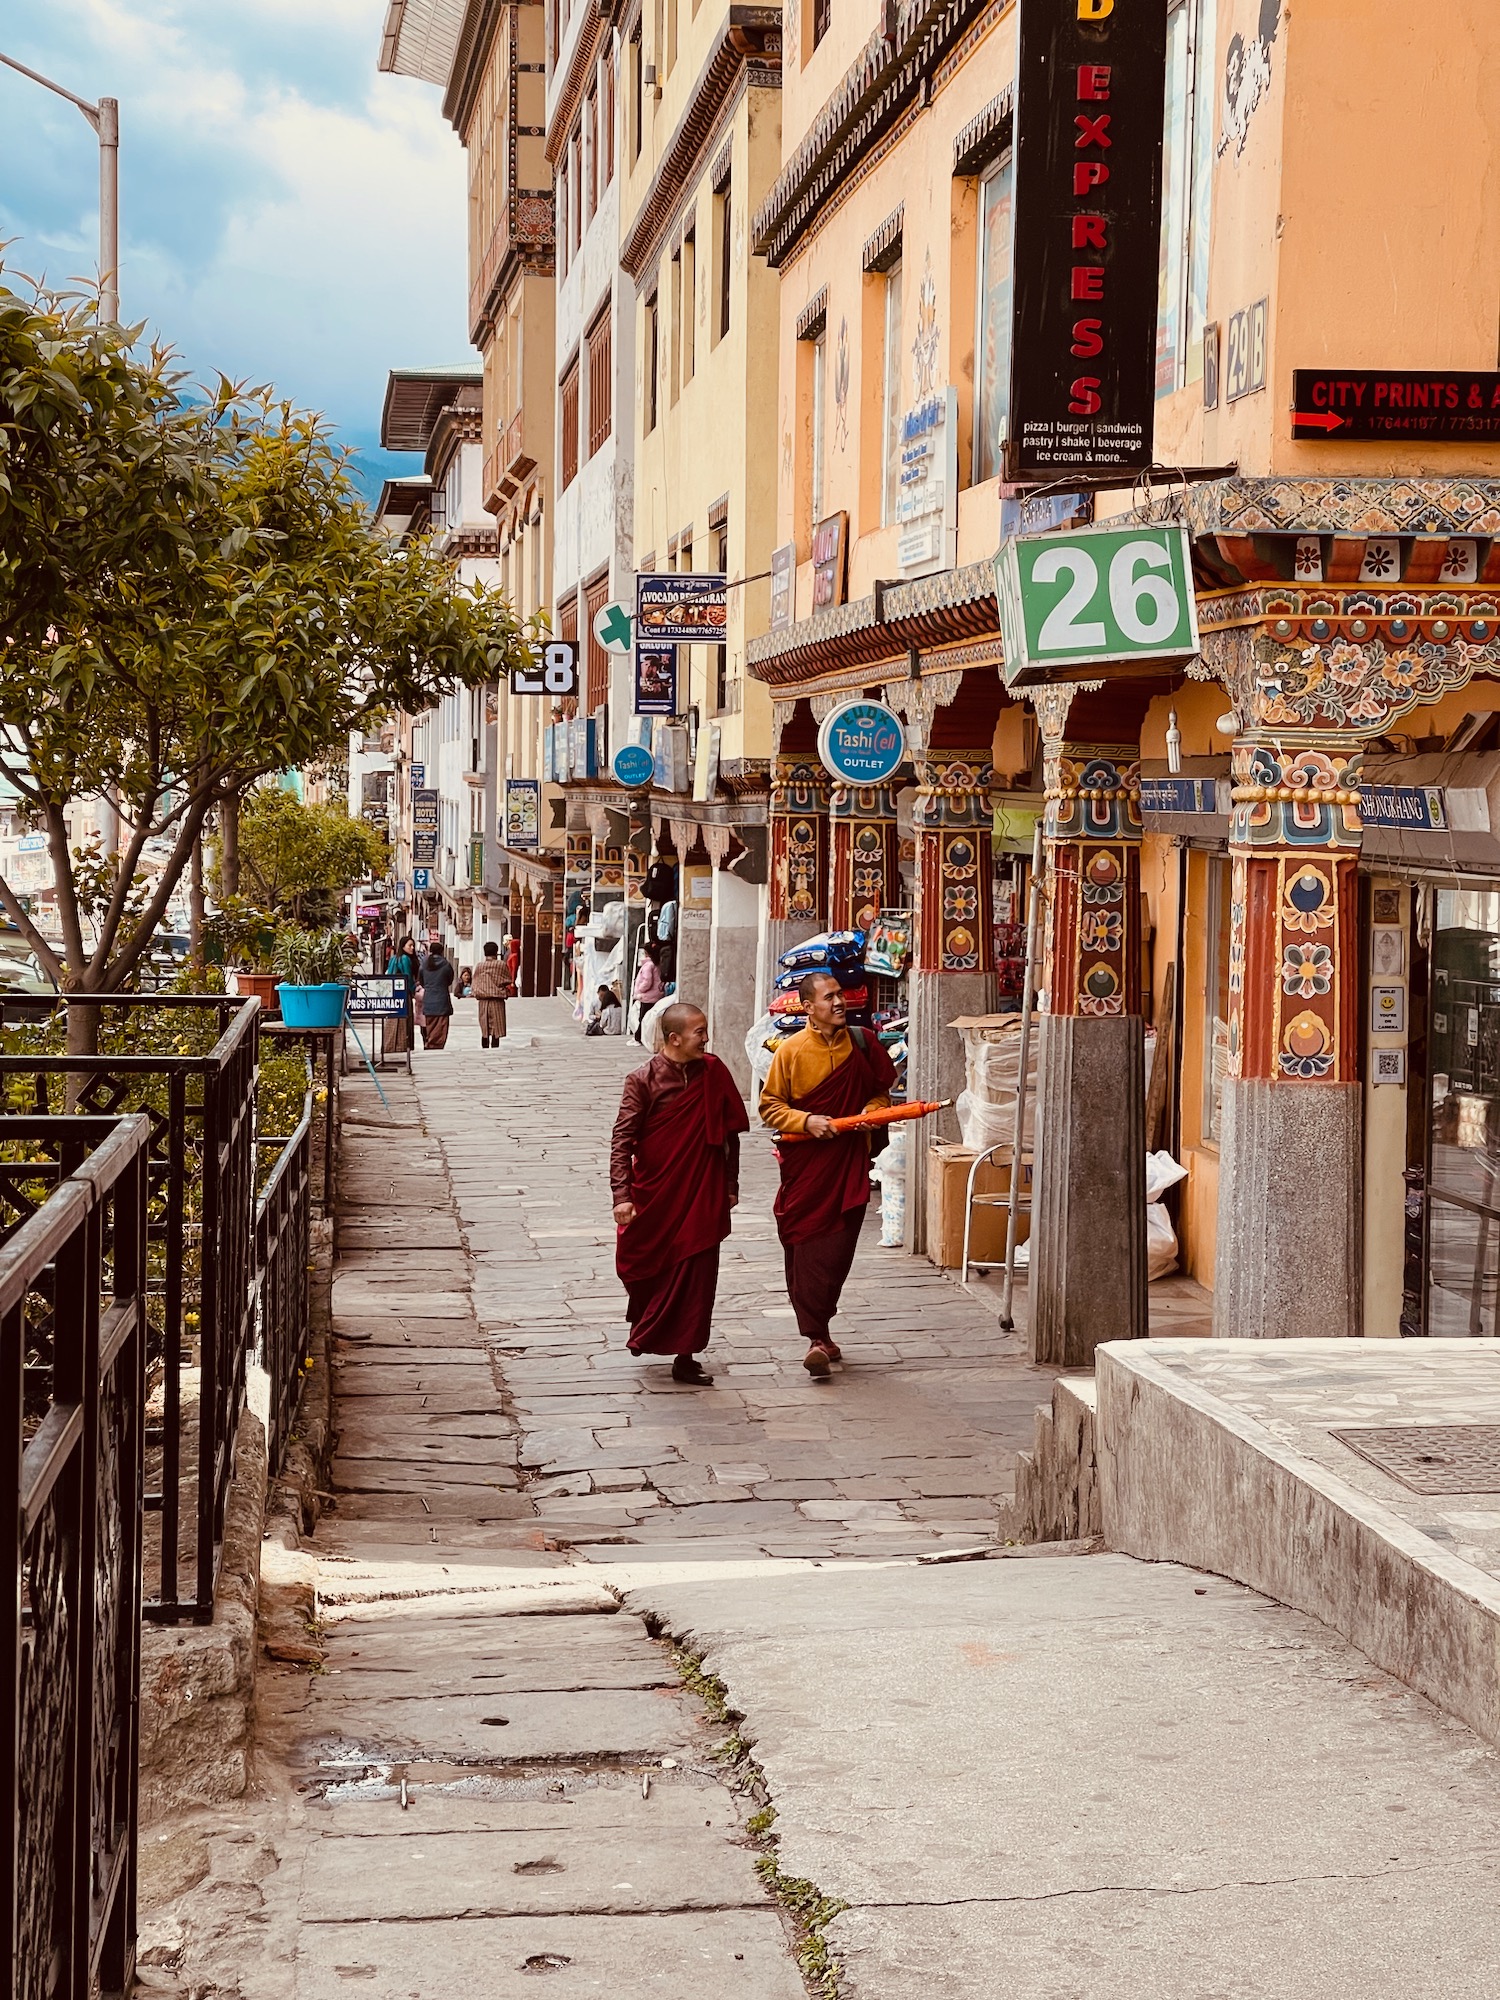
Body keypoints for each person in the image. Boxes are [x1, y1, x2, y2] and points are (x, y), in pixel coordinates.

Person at [759, 970, 898, 1377]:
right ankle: (817, 1334)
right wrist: (806, 1121)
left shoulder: (863, 1042)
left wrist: (874, 1111)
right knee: (806, 1247)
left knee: (837, 1252)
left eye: (840, 995)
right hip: (808, 1169)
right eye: (829, 997)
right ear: (808, 1007)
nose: (839, 1003)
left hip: (849, 1163)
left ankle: (823, 1325)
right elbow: (770, 1107)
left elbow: (880, 1090)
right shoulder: (791, 1051)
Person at [610, 1002, 750, 1386]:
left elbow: (729, 1133)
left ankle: (686, 1353)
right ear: (674, 1038)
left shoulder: (714, 1071)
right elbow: (622, 1139)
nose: (706, 1039)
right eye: (699, 1032)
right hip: (657, 1192)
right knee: (644, 1264)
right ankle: (651, 1326)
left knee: (698, 1271)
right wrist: (622, 1195)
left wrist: (731, 1185)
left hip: (703, 1189)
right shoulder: (642, 1080)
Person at [418, 939, 456, 1049]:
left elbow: (421, 981)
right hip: (442, 998)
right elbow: (449, 980)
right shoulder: (446, 964)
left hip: (428, 998)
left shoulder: (424, 964)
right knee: (441, 1025)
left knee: (430, 1024)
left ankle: (430, 1042)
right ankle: (436, 1044)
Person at [386, 933, 420, 1052]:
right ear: (403, 946)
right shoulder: (405, 959)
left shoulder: (393, 958)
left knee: (393, 1018)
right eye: (410, 945)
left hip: (393, 994)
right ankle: (403, 1044)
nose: (412, 948)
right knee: (405, 1019)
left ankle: (391, 1045)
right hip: (404, 994)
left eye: (413, 946)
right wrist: (413, 991)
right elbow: (408, 977)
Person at [472, 940, 509, 1046]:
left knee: (485, 1025)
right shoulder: (501, 965)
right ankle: (495, 1045)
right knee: (496, 1026)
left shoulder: (480, 966)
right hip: (497, 999)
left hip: (483, 999)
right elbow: (507, 979)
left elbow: (475, 981)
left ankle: (485, 1044)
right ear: (496, 952)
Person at [631, 941, 666, 1038]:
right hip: (656, 994)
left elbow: (647, 981)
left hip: (647, 996)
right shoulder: (657, 964)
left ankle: (638, 1037)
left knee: (642, 1018)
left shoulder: (648, 965)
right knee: (649, 1018)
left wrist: (640, 990)